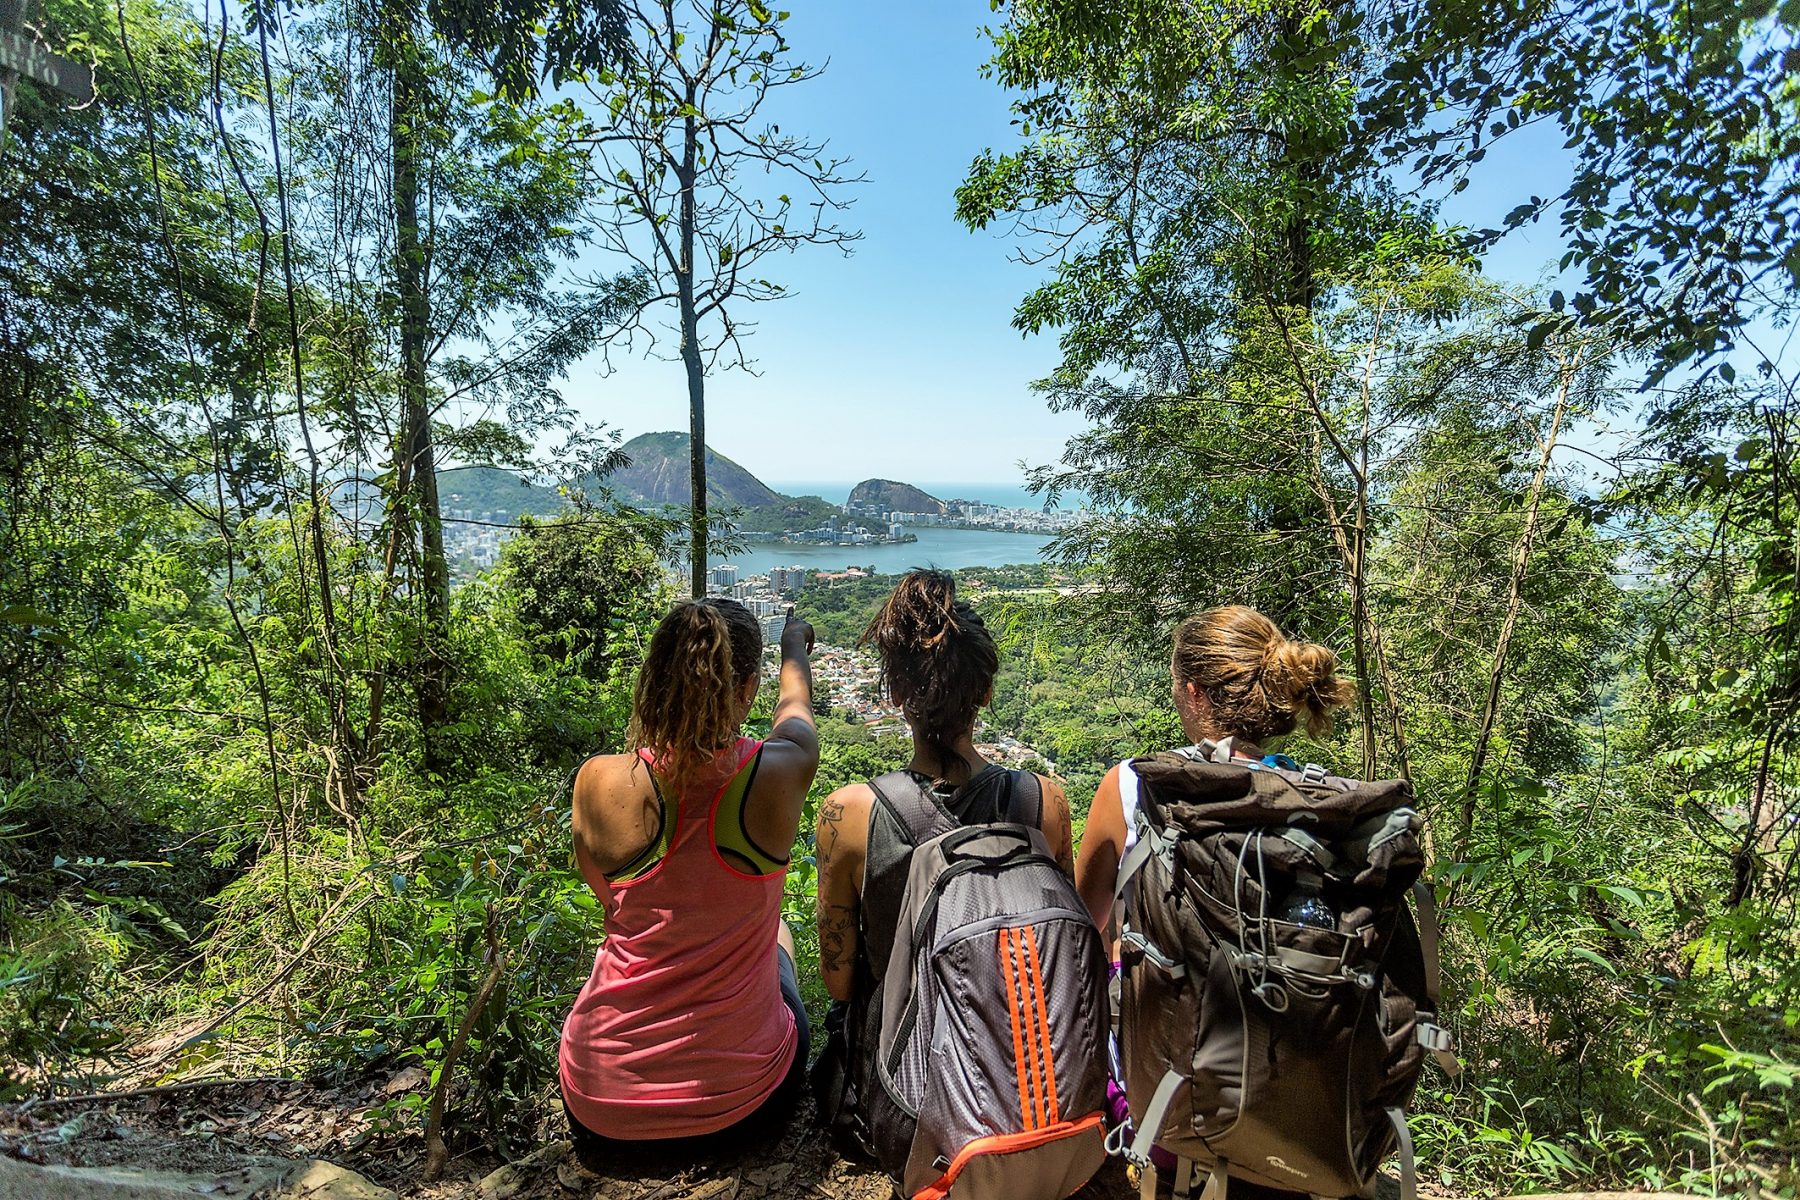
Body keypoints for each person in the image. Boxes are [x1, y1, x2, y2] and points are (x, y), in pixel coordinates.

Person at [1073, 603, 1355, 1196]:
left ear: (1195, 693)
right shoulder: (1321, 803)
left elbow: (1083, 928)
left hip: (1170, 1108)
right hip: (1300, 1106)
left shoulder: (1136, 786)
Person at [559, 597, 818, 1164]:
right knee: (780, 940)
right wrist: (793, 647)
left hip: (601, 1110)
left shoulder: (599, 780)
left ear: (653, 679)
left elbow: (609, 905)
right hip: (740, 1112)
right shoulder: (778, 771)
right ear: (747, 689)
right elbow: (796, 710)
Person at [811, 567, 1074, 1052]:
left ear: (893, 696)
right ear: (987, 693)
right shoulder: (1045, 802)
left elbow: (840, 982)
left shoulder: (847, 815)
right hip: (1018, 1060)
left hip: (905, 1080)